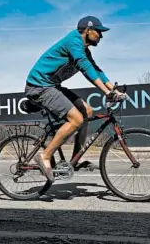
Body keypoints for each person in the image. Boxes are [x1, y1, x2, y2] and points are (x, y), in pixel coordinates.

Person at [24, 16, 126, 182]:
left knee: (87, 111)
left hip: (52, 86)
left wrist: (113, 89)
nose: (101, 36)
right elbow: (85, 68)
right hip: (39, 87)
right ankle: (44, 156)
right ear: (88, 30)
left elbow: (96, 70)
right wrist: (105, 92)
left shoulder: (84, 50)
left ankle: (75, 160)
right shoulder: (74, 41)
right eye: (99, 32)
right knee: (76, 119)